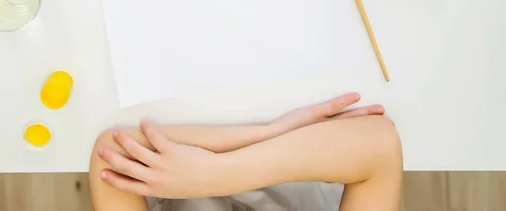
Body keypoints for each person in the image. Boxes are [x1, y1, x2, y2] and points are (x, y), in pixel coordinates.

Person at [89, 92, 403, 210]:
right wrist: (213, 175)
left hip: (183, 125)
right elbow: (379, 146)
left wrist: (210, 176)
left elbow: (112, 150)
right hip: (310, 160)